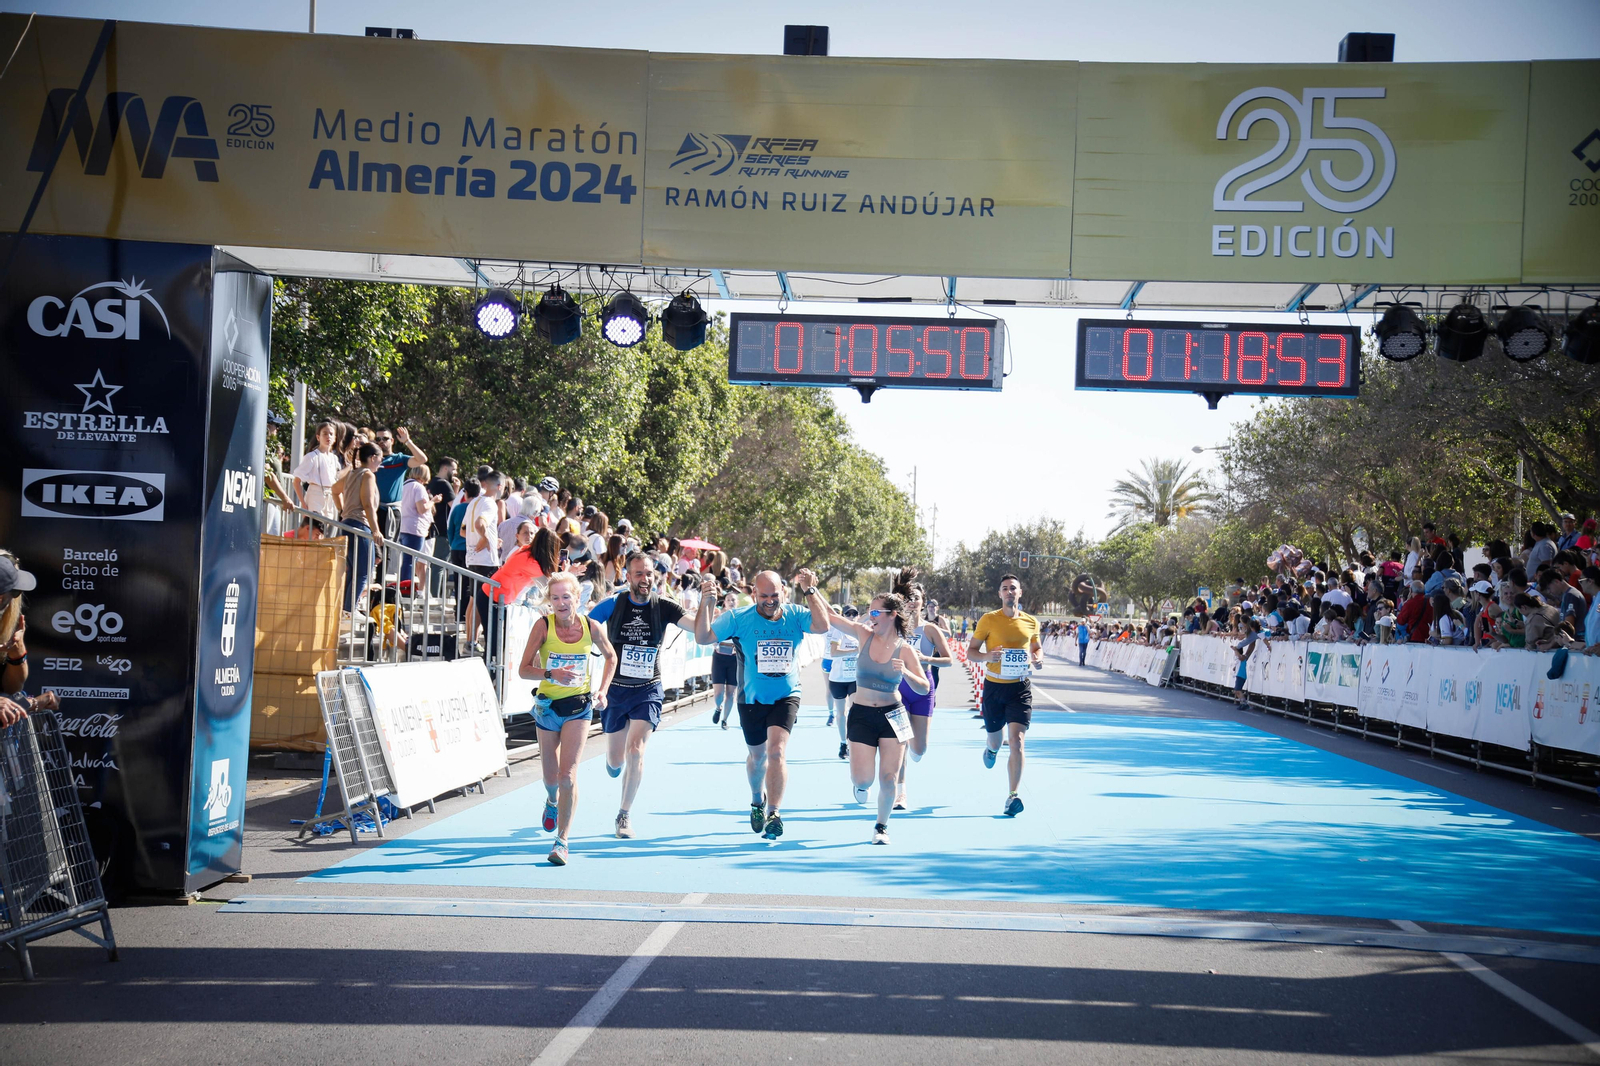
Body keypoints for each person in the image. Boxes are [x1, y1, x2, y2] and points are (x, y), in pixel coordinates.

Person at [696, 567, 829, 840]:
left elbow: (822, 625)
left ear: (783, 592)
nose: (770, 601)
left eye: (775, 595)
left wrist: (811, 590)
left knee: (777, 752)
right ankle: (757, 800)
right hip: (752, 698)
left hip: (787, 695)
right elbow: (703, 637)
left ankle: (774, 812)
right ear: (754, 593)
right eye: (763, 595)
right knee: (758, 758)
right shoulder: (738, 618)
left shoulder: (795, 615)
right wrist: (706, 602)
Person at [586, 552, 702, 839]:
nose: (645, 579)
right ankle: (614, 765)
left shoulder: (664, 606)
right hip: (617, 689)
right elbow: (587, 624)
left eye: (649, 573)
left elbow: (697, 627)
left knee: (636, 750)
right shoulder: (614, 603)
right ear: (627, 577)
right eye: (638, 573)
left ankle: (623, 815)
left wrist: (710, 608)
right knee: (616, 763)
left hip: (649, 688)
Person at [519, 572, 617, 866]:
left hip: (579, 708)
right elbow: (524, 669)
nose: (562, 603)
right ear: (550, 601)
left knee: (568, 776)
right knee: (551, 780)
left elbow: (611, 657)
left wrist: (602, 690)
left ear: (578, 598)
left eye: (567, 597)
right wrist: (551, 673)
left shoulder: (592, 627)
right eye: (556, 598)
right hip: (548, 709)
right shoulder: (542, 626)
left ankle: (562, 841)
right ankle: (551, 802)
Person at [820, 594, 930, 844]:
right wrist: (811, 591)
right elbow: (831, 617)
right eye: (870, 612)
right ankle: (860, 786)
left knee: (889, 777)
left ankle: (881, 827)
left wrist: (906, 673)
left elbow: (924, 687)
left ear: (892, 615)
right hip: (861, 714)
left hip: (893, 714)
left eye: (876, 612)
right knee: (863, 779)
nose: (871, 617)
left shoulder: (906, 649)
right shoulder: (864, 634)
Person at [966, 574, 1043, 817]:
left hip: (1020, 689)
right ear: (999, 594)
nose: (1009, 592)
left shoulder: (1031, 622)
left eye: (1013, 588)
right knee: (996, 741)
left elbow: (1036, 647)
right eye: (1005, 589)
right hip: (994, 687)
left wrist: (1039, 658)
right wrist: (988, 657)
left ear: (1020, 593)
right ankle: (991, 749)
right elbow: (971, 652)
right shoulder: (989, 620)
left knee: (1018, 741)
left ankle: (1012, 796)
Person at [893, 584, 953, 811]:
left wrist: (925, 658)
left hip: (923, 688)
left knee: (919, 748)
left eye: (916, 598)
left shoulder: (930, 630)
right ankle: (901, 793)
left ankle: (913, 745)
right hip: (898, 688)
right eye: (907, 598)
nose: (912, 602)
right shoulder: (894, 628)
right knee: (900, 742)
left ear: (922, 601)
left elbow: (949, 660)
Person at [335, 442, 383, 613]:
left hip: (347, 523)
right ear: (373, 458)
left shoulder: (352, 473)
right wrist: (376, 530)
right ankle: (350, 610)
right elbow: (368, 504)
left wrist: (343, 511)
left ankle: (346, 609)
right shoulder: (368, 475)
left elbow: (334, 490)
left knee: (353, 570)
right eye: (380, 459)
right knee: (363, 571)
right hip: (359, 526)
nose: (380, 463)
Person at [462, 469, 502, 650]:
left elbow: (463, 530)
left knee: (473, 600)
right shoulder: (490, 504)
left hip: (472, 557)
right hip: (486, 560)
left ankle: (470, 640)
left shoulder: (473, 502)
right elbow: (480, 524)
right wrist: (485, 539)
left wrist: (489, 539)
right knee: (480, 601)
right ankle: (473, 641)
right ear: (499, 486)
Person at [372, 427, 429, 539]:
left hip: (392, 512)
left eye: (385, 438)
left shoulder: (399, 459)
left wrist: (407, 441)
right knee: (372, 549)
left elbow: (422, 459)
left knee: (387, 550)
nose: (381, 441)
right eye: (378, 439)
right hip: (373, 510)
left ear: (392, 441)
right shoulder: (372, 460)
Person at [291, 420, 342, 531]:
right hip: (316, 495)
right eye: (325, 433)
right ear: (318, 437)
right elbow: (296, 481)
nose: (328, 436)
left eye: (331, 434)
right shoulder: (311, 457)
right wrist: (304, 504)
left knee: (327, 533)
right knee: (314, 530)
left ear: (335, 438)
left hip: (331, 497)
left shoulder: (334, 458)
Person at [823, 608, 860, 759]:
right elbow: (834, 652)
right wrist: (855, 651)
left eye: (854, 614)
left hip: (854, 679)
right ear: (843, 617)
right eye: (848, 614)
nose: (851, 617)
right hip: (838, 679)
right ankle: (843, 743)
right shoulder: (839, 631)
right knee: (841, 714)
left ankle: (853, 743)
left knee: (854, 711)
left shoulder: (861, 632)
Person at [396, 465, 436, 586]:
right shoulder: (418, 487)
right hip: (415, 528)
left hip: (403, 527)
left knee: (407, 560)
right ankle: (405, 587)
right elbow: (422, 509)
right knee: (411, 561)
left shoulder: (404, 485)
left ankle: (404, 586)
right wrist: (433, 500)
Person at [709, 589, 741, 729]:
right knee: (718, 692)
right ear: (725, 603)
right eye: (729, 600)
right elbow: (711, 634)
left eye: (734, 600)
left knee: (731, 692)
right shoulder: (719, 618)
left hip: (734, 658)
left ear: (737, 602)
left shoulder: (742, 617)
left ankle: (725, 720)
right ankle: (718, 708)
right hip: (719, 657)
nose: (731, 602)